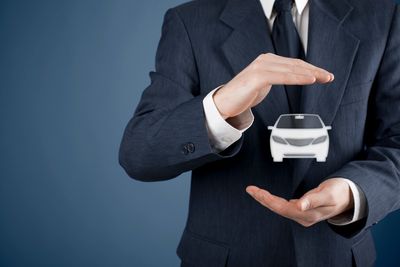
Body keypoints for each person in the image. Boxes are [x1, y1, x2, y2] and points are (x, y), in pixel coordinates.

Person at [119, 0, 400, 266]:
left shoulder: (382, 16)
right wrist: (220, 106)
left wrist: (353, 193)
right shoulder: (190, 22)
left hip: (337, 256)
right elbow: (139, 153)